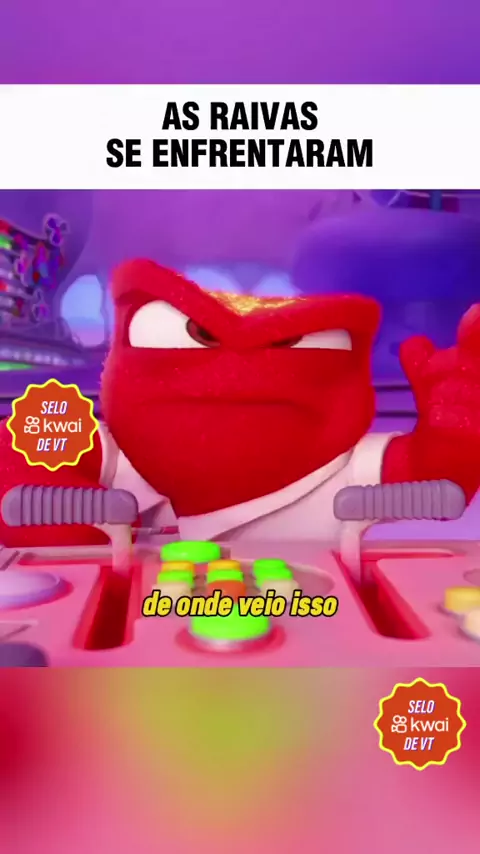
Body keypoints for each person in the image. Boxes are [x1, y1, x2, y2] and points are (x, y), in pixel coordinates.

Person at [1, 259, 480, 546]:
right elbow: (18, 450)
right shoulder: (117, 454)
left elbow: (435, 479)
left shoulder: (340, 473)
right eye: (200, 334)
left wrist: (458, 429)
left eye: (287, 343)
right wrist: (77, 539)